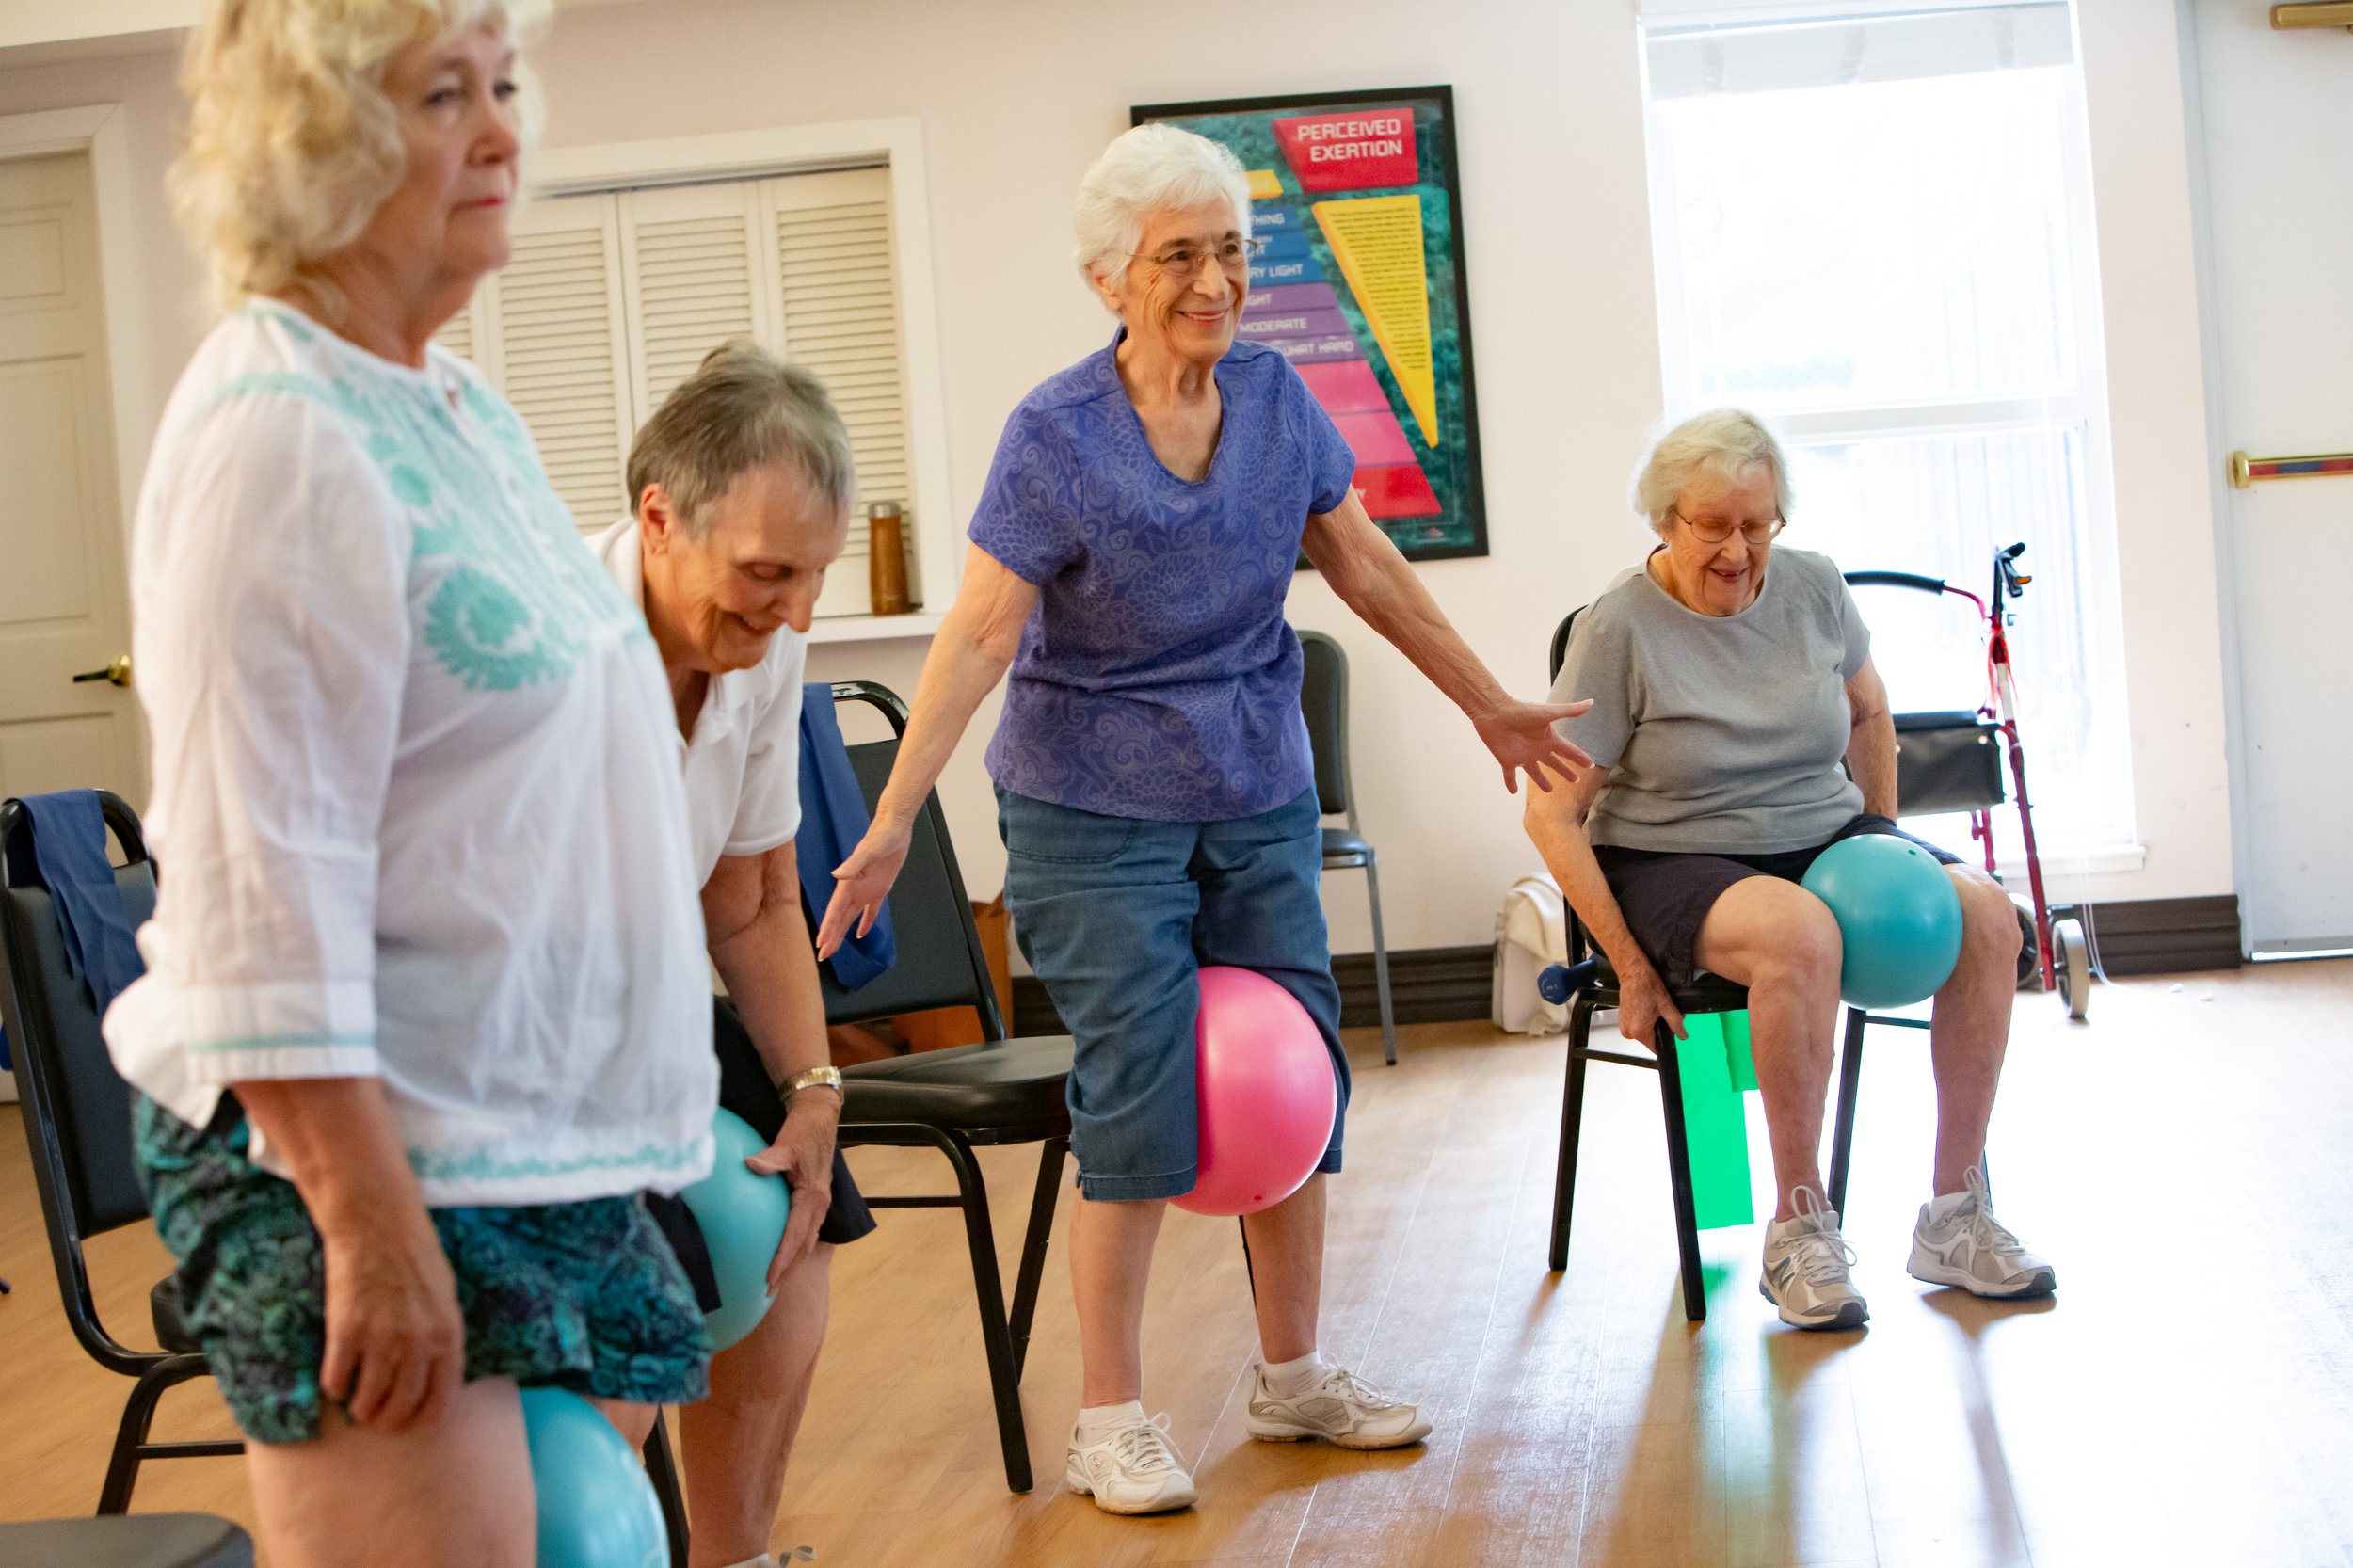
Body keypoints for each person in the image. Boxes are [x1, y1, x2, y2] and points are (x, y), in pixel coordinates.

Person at [814, 123, 1592, 1515]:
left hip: (1255, 785)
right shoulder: (1057, 435)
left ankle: (1292, 1371)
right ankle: (1109, 1414)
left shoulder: (1280, 401)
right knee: (1140, 1085)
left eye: (1232, 249)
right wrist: (891, 818)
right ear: (1111, 276)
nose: (1214, 280)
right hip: (1087, 803)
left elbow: (1364, 565)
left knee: (1299, 1059)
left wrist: (1490, 704)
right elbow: (984, 634)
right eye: (1181, 254)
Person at [104, 3, 717, 1561]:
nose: (506, 130)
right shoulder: (277, 429)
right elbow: (259, 882)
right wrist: (364, 1226)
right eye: (444, 94)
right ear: (310, 144)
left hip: (525, 1135)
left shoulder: (460, 411)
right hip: (365, 1158)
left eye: (504, 84)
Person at [1522, 408, 2057, 1333]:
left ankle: (1954, 1213)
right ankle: (1797, 1228)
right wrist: (1632, 970)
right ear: (1663, 520)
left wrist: (1882, 833)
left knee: (1987, 918)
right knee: (1798, 934)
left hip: (1822, 831)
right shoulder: (1619, 628)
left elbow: (1869, 712)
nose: (1737, 549)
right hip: (1674, 852)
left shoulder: (1812, 588)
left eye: (1756, 524)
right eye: (1711, 525)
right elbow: (1551, 812)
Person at [593, 341, 874, 1568]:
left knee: (794, 1211)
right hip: (504, 1028)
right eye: (767, 573)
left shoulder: (766, 644)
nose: (794, 612)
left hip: (652, 991)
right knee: (634, 1276)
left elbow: (753, 893)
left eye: (813, 577)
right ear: (659, 519)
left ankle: (736, 1557)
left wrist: (814, 1092)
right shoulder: (541, 648)